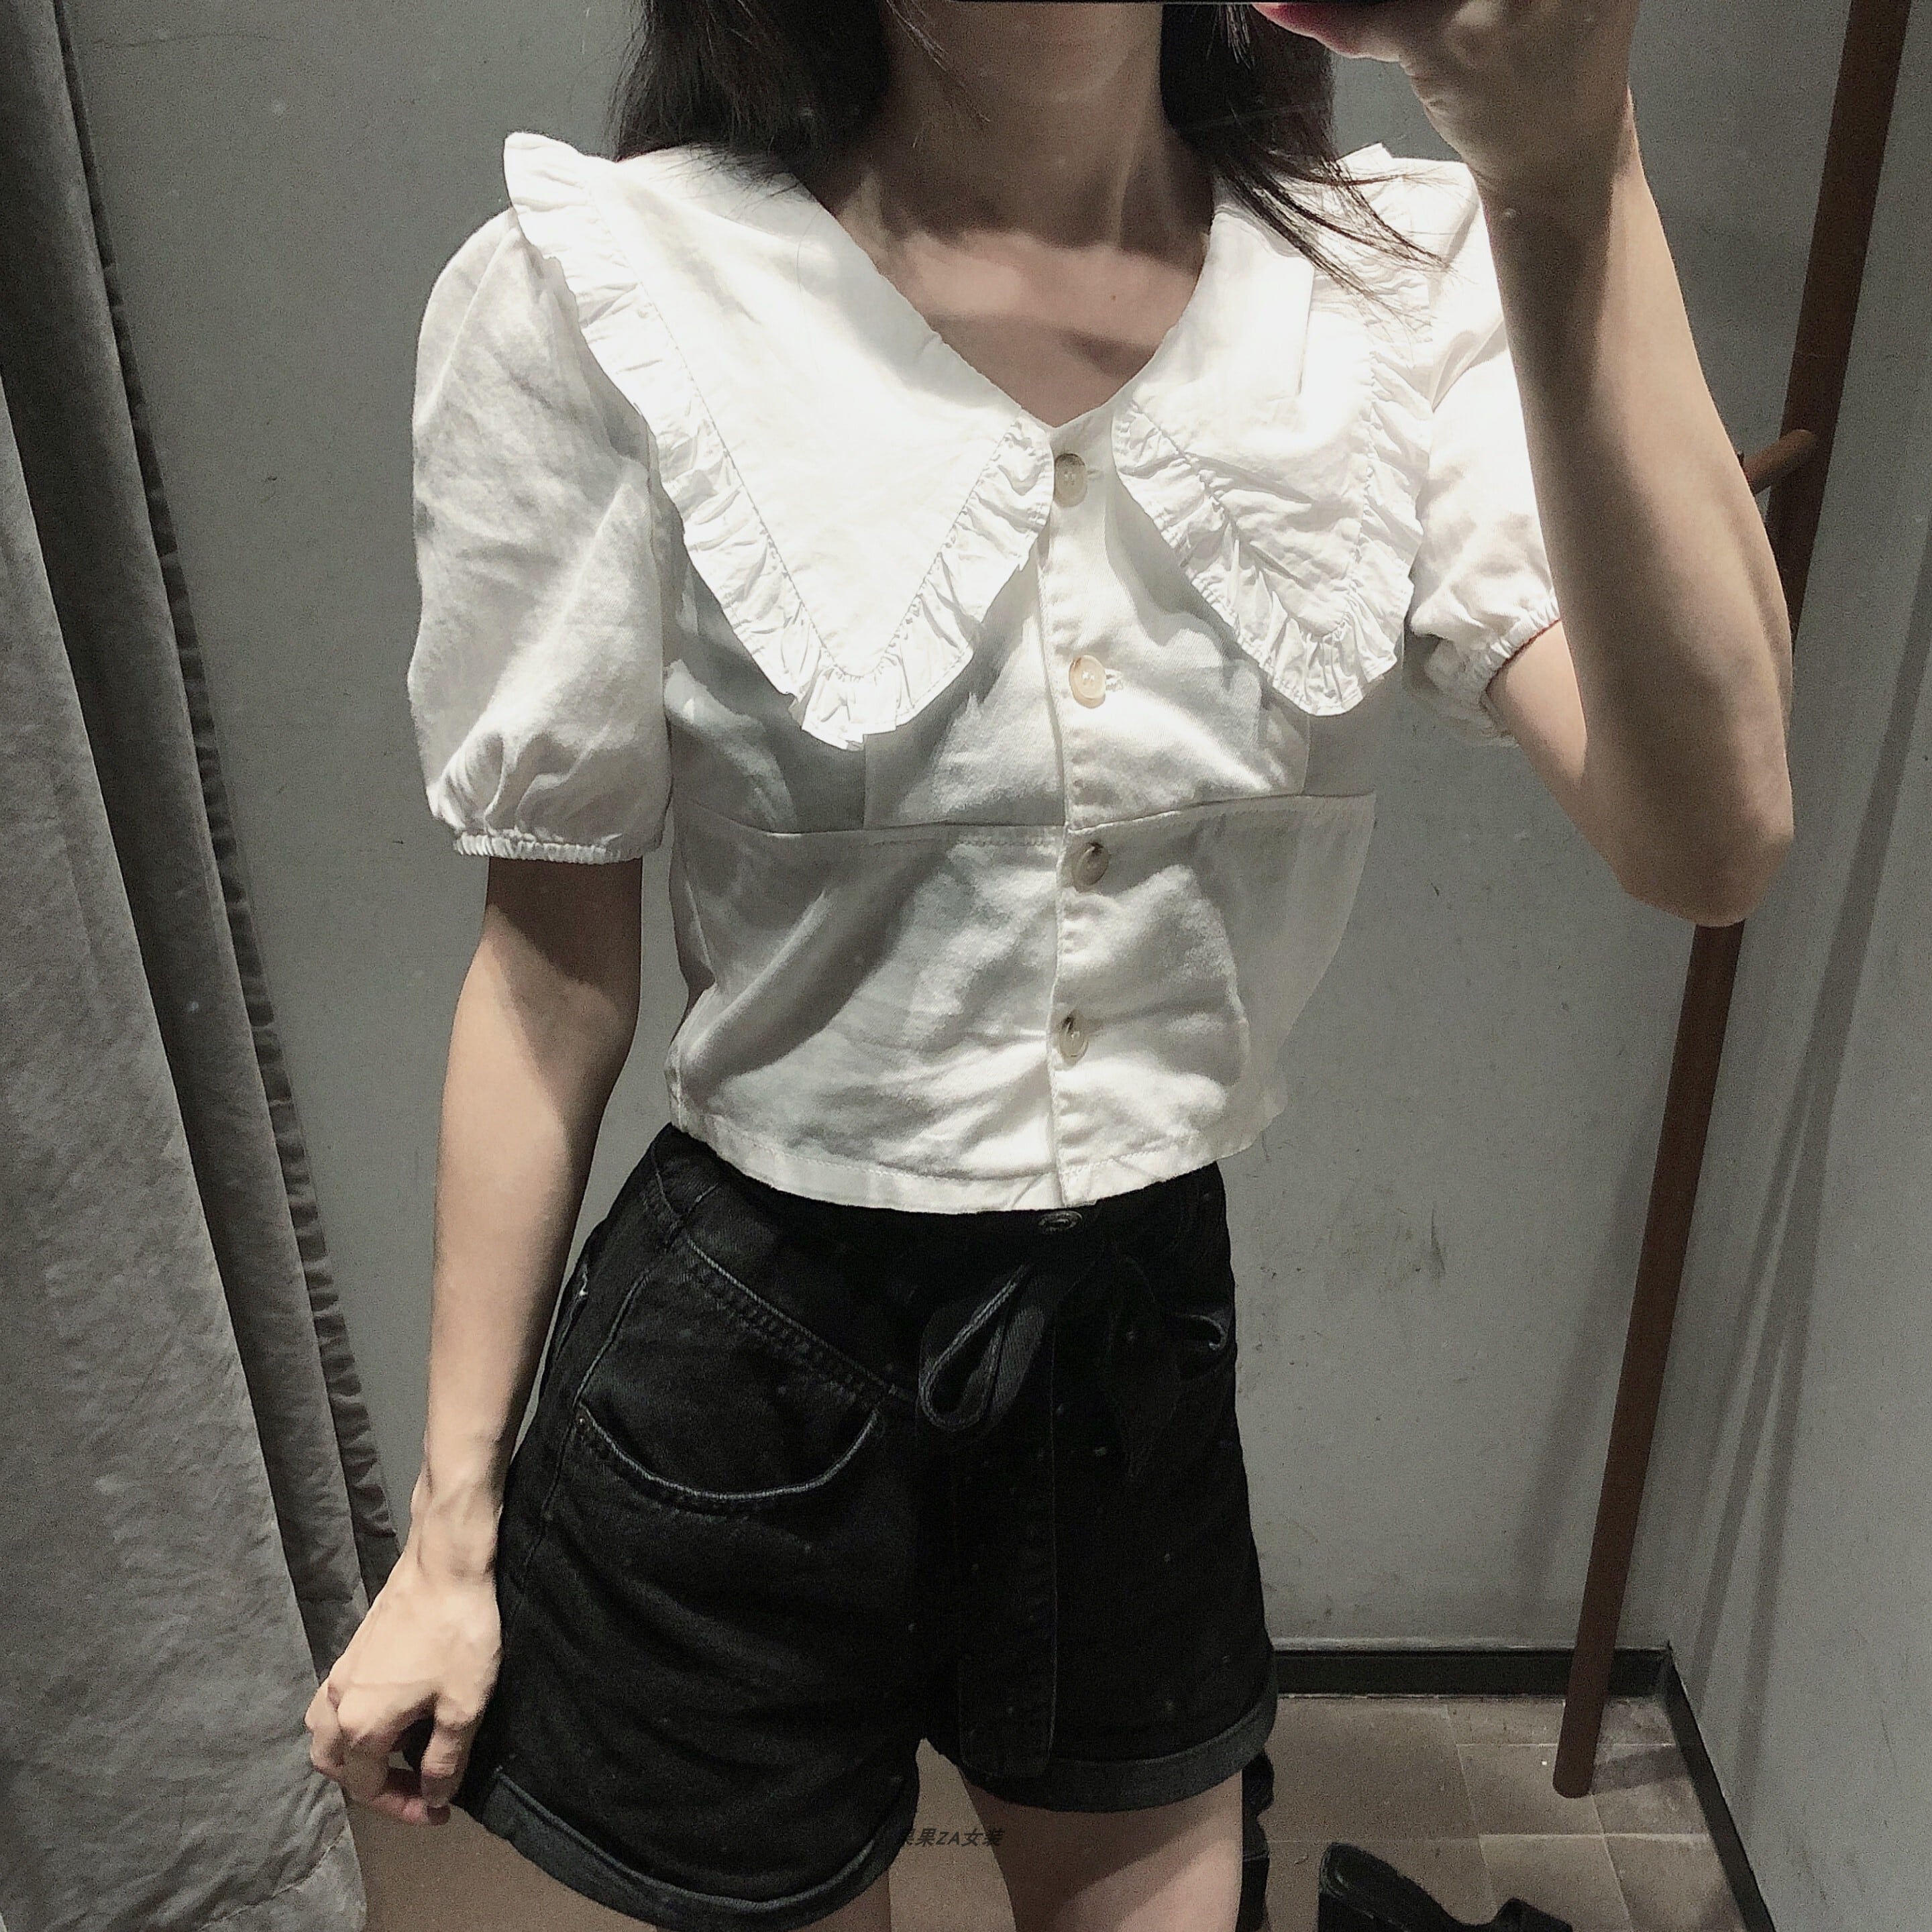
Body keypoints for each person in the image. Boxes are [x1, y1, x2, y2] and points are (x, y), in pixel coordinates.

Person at [308, 5, 1794, 1931]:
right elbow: (546, 977)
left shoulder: (1391, 287)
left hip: (1133, 1345)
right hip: (746, 1360)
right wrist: (448, 1542)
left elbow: (1709, 838)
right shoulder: (610, 292)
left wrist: (1572, 159)